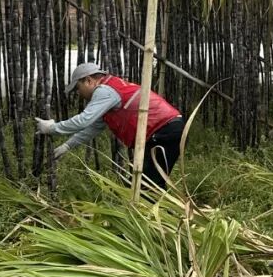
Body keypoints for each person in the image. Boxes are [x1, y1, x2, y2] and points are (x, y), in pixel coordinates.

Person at [36, 62, 184, 190]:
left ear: (88, 80)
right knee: (147, 184)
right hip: (165, 132)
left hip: (164, 132)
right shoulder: (111, 89)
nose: (79, 93)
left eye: (78, 88)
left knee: (145, 187)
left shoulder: (104, 91)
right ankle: (163, 213)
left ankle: (159, 213)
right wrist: (67, 146)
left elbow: (83, 120)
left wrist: (52, 128)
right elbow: (93, 127)